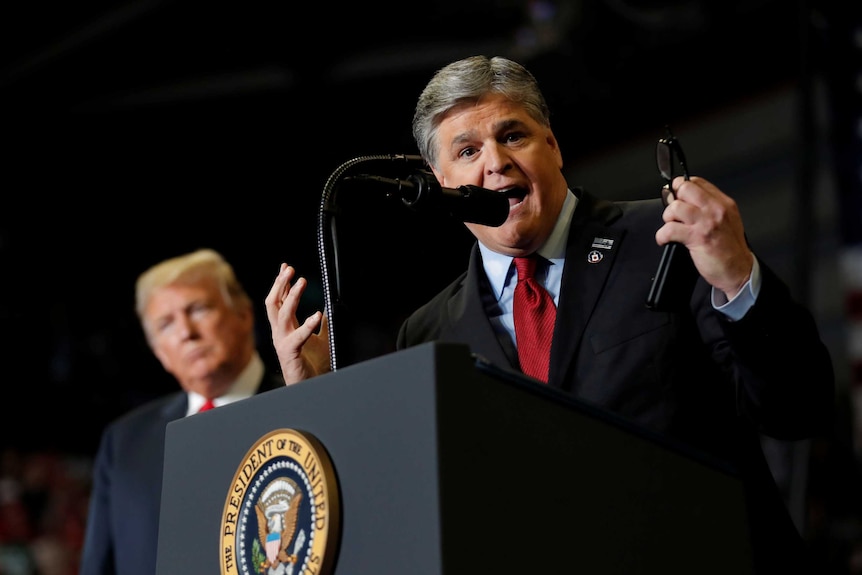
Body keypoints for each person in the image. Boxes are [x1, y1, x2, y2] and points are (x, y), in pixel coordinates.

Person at [265, 55, 835, 572]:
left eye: (513, 135)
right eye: (467, 151)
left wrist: (737, 276)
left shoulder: (665, 239)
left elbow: (796, 408)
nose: (495, 163)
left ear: (554, 146)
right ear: (442, 186)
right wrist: (317, 400)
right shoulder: (427, 332)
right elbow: (402, 515)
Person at [80, 248, 285, 575]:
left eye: (198, 309)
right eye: (165, 325)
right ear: (159, 352)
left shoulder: (297, 403)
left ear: (245, 315)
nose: (186, 333)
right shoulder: (124, 443)